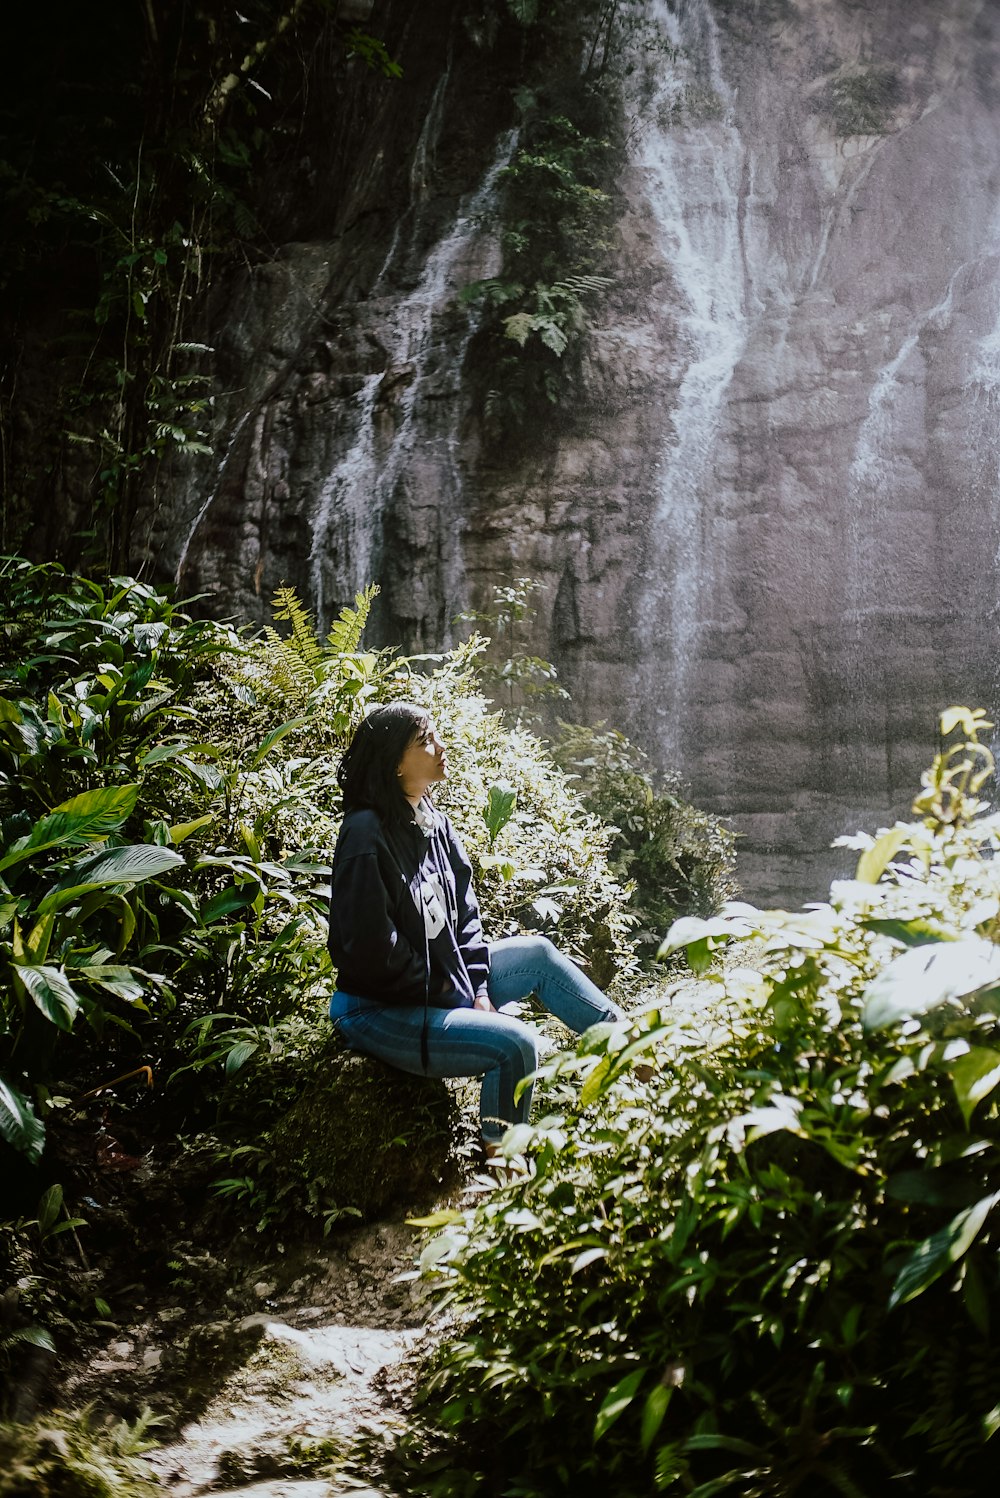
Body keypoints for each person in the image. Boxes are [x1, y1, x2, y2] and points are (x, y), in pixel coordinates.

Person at [327, 700, 630, 1152]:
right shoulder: (365, 833)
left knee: (538, 955)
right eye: (424, 740)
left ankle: (631, 1046)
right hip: (377, 1008)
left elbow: (465, 915)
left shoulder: (431, 819)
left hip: (442, 984)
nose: (440, 745)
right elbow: (371, 950)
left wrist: (480, 990)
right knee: (517, 1041)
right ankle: (502, 1160)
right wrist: (457, 995)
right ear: (393, 762)